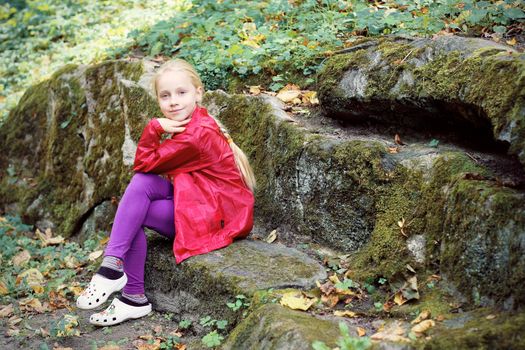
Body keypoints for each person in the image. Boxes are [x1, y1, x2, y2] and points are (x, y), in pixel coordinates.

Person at [76, 59, 256, 326]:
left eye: (181, 93)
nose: (173, 102)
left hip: (215, 216)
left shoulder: (196, 136)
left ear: (198, 92)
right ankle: (121, 279)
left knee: (133, 210)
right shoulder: (192, 121)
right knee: (139, 189)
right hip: (198, 196)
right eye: (165, 95)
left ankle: (125, 286)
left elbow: (144, 162)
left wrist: (154, 127)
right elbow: (145, 172)